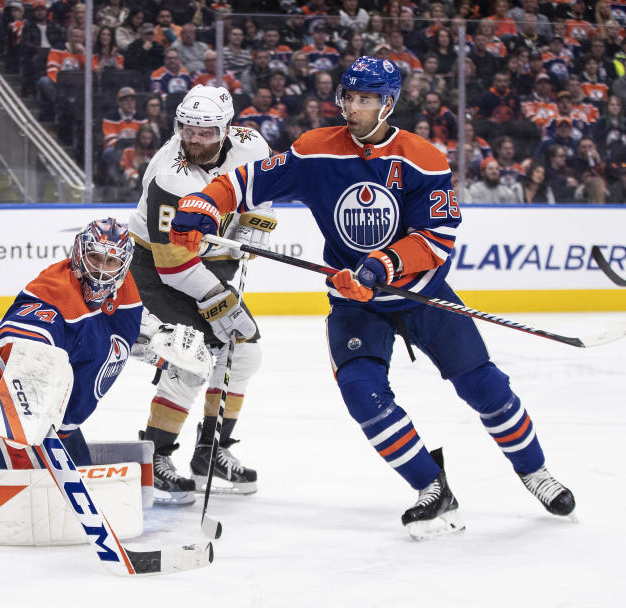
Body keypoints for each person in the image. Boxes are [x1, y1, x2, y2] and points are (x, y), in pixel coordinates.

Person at [167, 57, 576, 538]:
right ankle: (431, 486)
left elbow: (439, 235)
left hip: (421, 296)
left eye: (365, 99)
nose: (353, 108)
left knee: (484, 387)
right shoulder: (316, 150)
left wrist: (384, 264)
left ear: (389, 103)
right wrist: (203, 203)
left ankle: (534, 472)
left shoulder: (423, 158)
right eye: (349, 97)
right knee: (364, 394)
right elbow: (246, 180)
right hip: (355, 303)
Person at [0, 218, 209, 470]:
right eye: (95, 257)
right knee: (32, 499)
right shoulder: (55, 289)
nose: (101, 269)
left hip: (54, 423)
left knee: (83, 486)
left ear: (123, 265)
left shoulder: (123, 290)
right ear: (79, 253)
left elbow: (122, 338)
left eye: (112, 261)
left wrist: (169, 355)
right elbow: (19, 338)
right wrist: (29, 351)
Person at [127, 84, 273, 505]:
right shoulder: (169, 174)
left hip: (211, 257)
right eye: (187, 129)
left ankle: (211, 452)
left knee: (243, 352)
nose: (193, 139)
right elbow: (172, 262)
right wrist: (218, 301)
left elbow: (263, 199)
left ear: (227, 130)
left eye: (205, 132)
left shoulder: (250, 144)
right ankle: (156, 457)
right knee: (189, 355)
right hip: (155, 267)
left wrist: (245, 234)